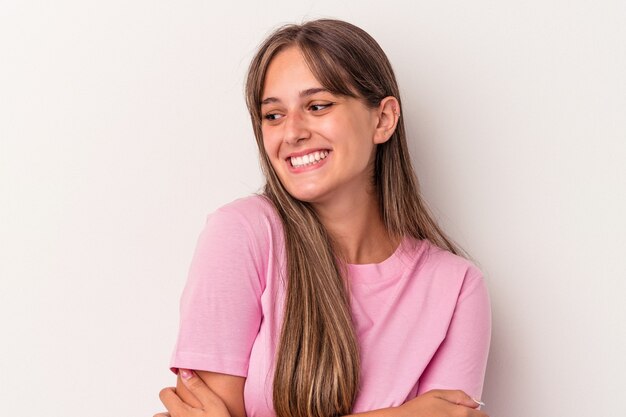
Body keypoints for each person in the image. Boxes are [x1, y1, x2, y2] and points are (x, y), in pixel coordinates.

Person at [155, 18, 491, 417]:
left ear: (382, 119)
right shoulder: (243, 234)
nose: (291, 132)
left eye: (317, 106)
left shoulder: (456, 288)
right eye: (273, 115)